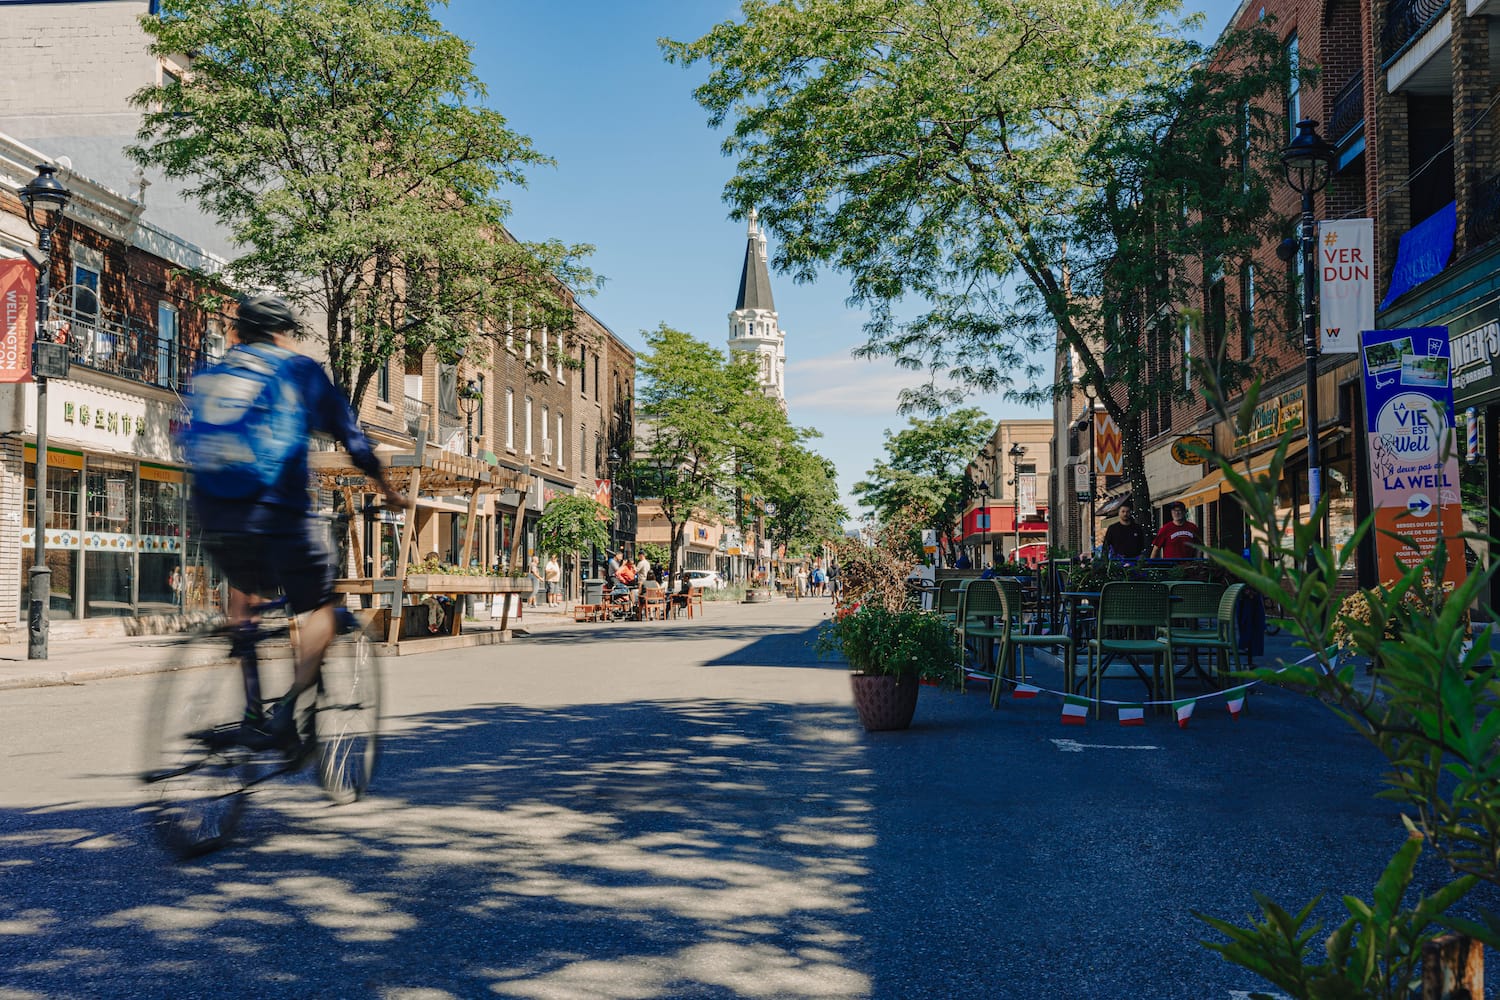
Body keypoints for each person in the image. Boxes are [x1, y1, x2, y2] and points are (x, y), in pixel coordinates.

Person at [188, 294, 403, 753]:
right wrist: (386, 489)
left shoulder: (215, 374)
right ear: (281, 334)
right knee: (321, 606)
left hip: (213, 513)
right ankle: (285, 714)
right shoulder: (297, 370)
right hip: (275, 512)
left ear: (239, 333)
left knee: (243, 596)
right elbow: (352, 439)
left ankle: (251, 710)